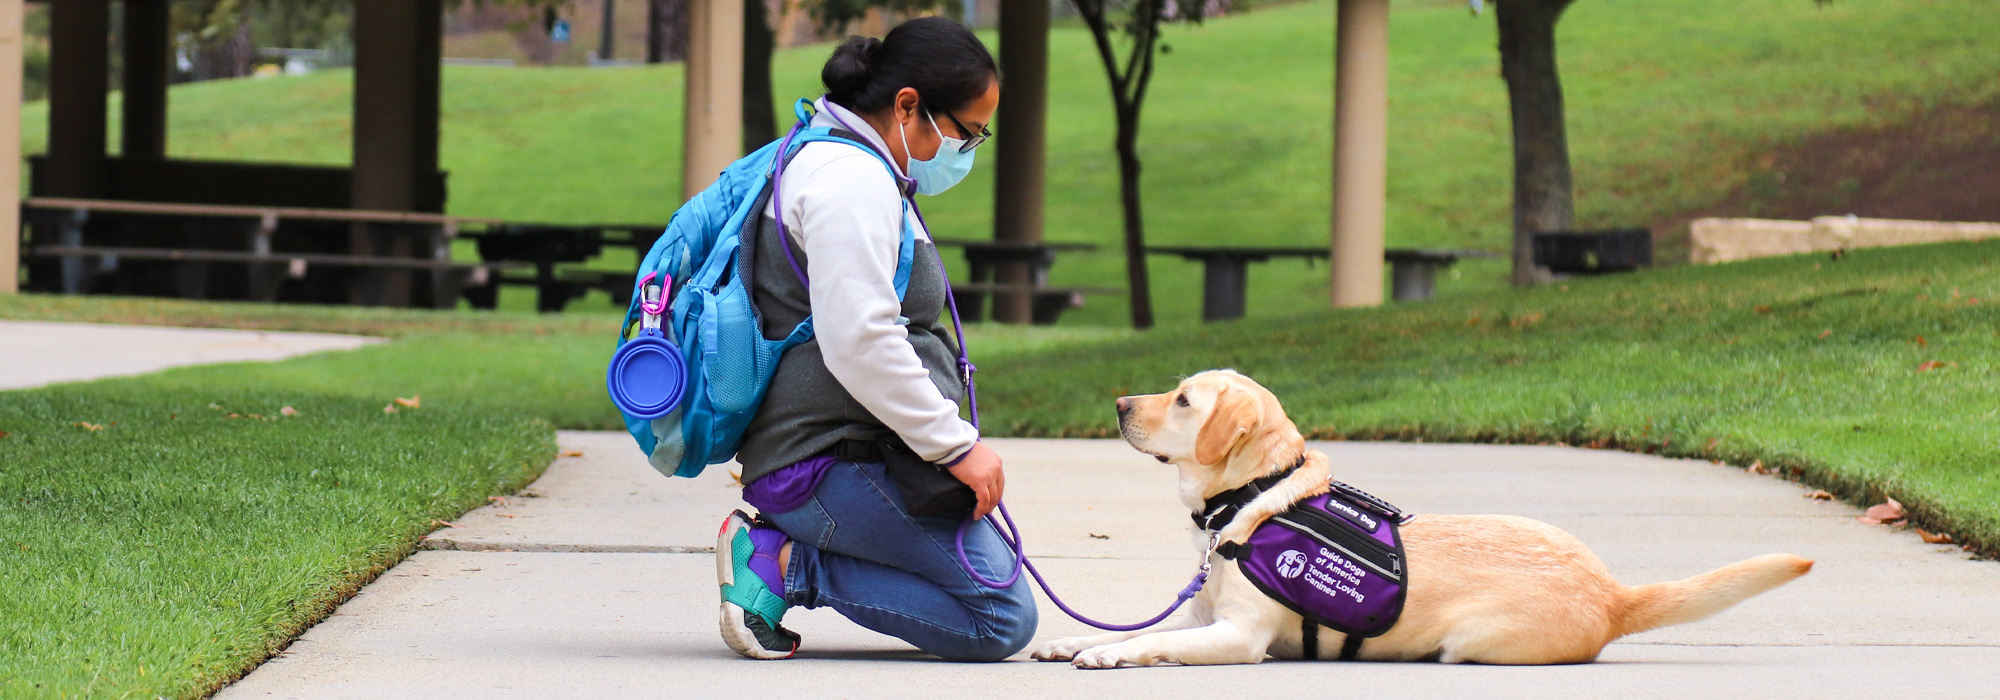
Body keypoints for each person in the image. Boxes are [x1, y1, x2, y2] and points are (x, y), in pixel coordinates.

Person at [712, 17, 1035, 662]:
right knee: (998, 616)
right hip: (825, 461)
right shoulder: (847, 181)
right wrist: (955, 448)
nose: (968, 151)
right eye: (966, 133)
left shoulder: (845, 160)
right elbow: (860, 339)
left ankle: (799, 550)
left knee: (988, 586)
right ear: (908, 105)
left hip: (865, 453)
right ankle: (786, 562)